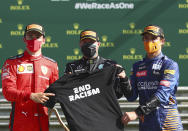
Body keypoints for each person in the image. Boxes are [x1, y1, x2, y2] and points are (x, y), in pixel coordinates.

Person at [121, 25, 184, 131]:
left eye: (154, 38)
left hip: (168, 123)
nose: (149, 41)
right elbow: (131, 96)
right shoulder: (137, 66)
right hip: (147, 124)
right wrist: (123, 79)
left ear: (162, 41)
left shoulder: (169, 65)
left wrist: (137, 113)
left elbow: (162, 95)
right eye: (146, 38)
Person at [1, 24, 59, 131]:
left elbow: (56, 94)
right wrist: (31, 96)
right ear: (24, 39)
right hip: (20, 125)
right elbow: (7, 92)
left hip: (42, 124)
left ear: (44, 40)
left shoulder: (52, 65)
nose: (34, 39)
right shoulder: (12, 63)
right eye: (30, 36)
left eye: (37, 37)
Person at [64, 29, 132, 99]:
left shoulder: (110, 65)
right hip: (81, 109)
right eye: (85, 42)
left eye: (91, 42)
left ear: (98, 44)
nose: (88, 45)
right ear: (80, 44)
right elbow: (65, 94)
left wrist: (124, 79)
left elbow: (127, 95)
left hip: (104, 109)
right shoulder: (72, 67)